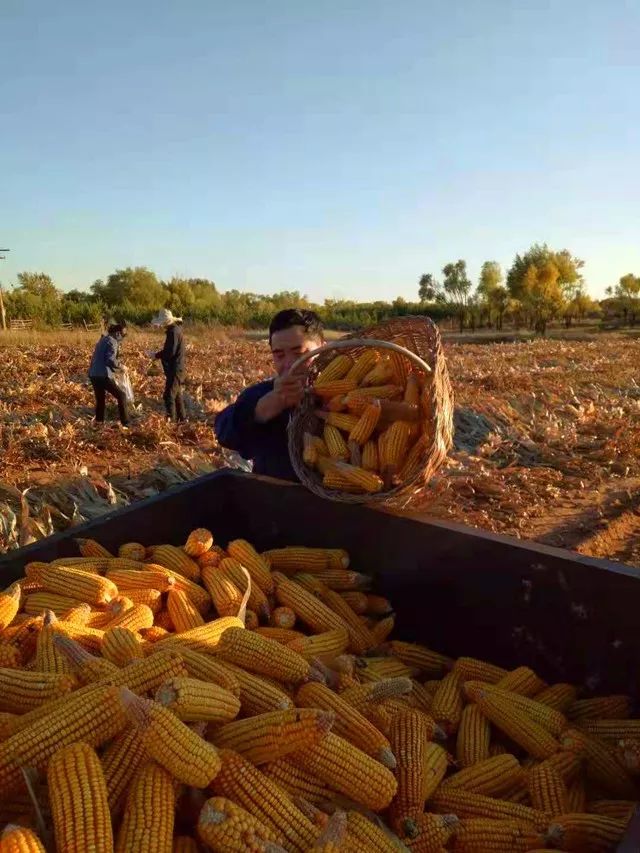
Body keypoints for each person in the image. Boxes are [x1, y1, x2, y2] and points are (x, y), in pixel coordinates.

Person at [214, 308, 325, 480]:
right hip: (274, 499)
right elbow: (225, 432)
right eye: (279, 355)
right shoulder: (262, 393)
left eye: (300, 353)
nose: (290, 364)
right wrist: (261, 410)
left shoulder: (349, 393)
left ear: (322, 350)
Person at [88, 322, 130, 426]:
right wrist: (121, 366)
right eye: (123, 335)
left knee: (100, 400)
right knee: (122, 396)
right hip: (103, 375)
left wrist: (116, 370)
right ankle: (126, 423)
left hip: (93, 374)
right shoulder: (113, 341)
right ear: (117, 333)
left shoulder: (103, 339)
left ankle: (99, 423)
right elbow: (110, 360)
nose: (123, 338)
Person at [150, 308, 186, 422]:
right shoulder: (175, 330)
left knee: (168, 396)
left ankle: (172, 422)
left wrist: (156, 355)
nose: (161, 325)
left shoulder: (173, 332)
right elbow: (170, 351)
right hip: (177, 368)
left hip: (175, 369)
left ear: (166, 322)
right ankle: (182, 420)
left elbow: (170, 352)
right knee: (177, 396)